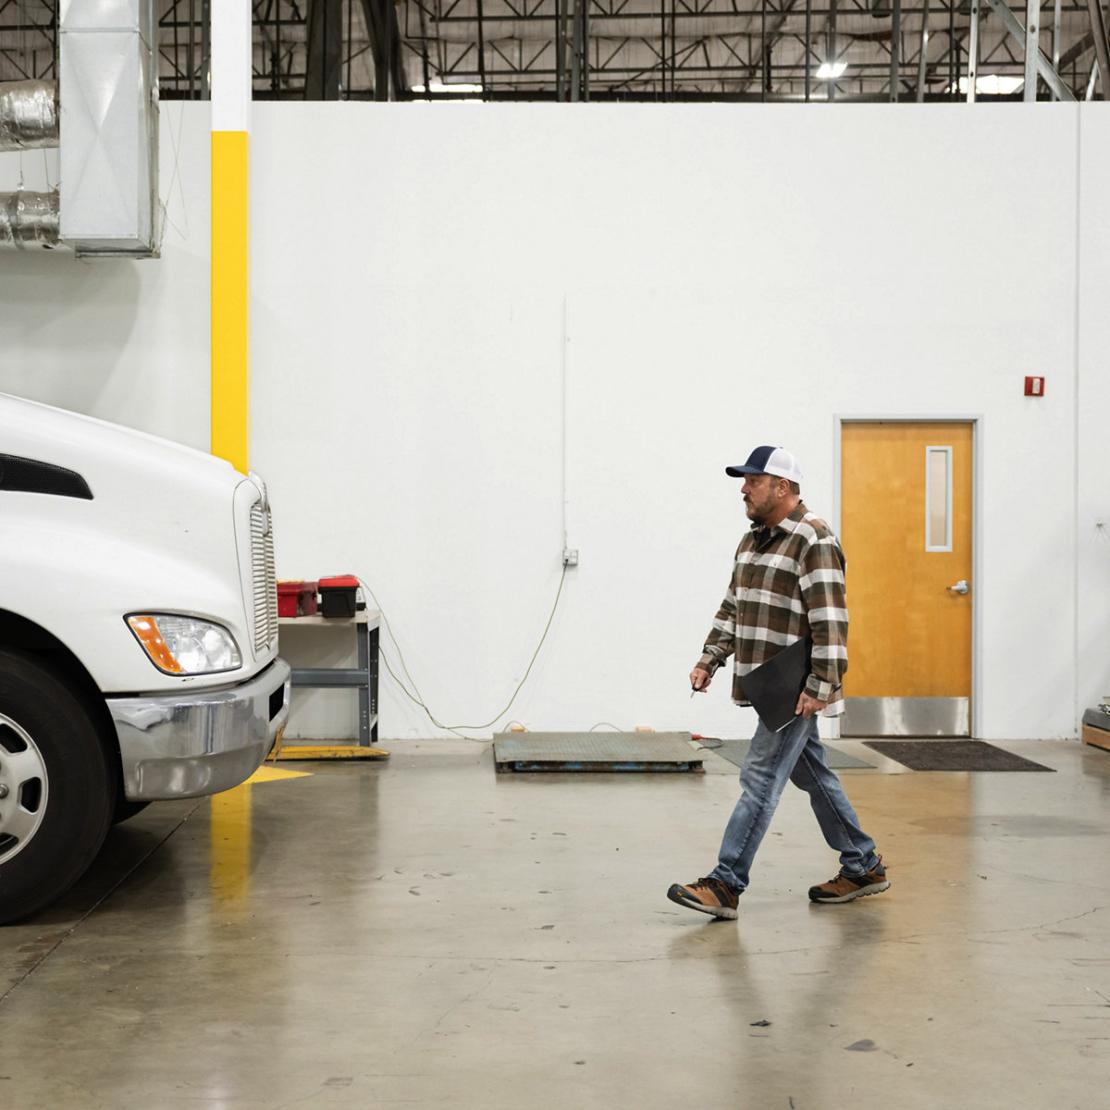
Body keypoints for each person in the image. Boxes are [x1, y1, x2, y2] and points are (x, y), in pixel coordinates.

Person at [667, 445, 889, 920]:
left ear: (783, 487)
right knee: (812, 774)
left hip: (793, 686)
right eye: (743, 481)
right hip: (765, 685)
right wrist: (711, 657)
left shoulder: (814, 539)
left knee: (760, 777)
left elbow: (831, 621)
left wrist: (820, 683)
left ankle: (726, 883)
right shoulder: (752, 541)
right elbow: (733, 606)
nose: (743, 489)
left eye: (752, 480)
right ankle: (863, 863)